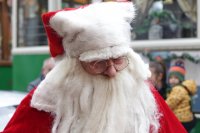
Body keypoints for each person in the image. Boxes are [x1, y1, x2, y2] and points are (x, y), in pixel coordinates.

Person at [2, 2, 187, 133]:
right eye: (98, 63)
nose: (112, 71)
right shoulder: (45, 102)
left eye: (119, 60)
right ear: (74, 65)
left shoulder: (143, 94)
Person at [166, 60, 197, 132]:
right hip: (187, 118)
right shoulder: (182, 88)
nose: (173, 80)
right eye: (171, 78)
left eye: (176, 78)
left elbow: (170, 103)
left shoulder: (178, 89)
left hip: (181, 120)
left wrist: (161, 105)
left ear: (180, 79)